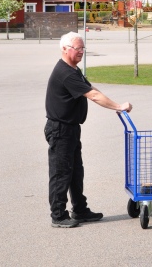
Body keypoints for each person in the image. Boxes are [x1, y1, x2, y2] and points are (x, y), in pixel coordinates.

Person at [44, 31, 132, 228]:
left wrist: (115, 105)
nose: (81, 52)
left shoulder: (73, 70)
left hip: (71, 129)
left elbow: (92, 90)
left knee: (76, 172)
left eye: (83, 48)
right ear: (65, 49)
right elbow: (92, 96)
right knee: (61, 173)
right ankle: (58, 215)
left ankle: (80, 210)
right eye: (78, 48)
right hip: (60, 130)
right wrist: (118, 107)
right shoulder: (65, 73)